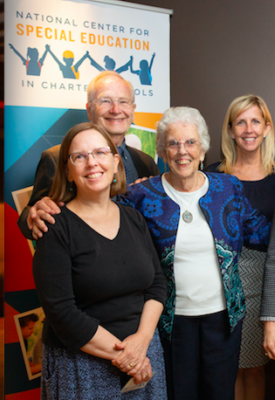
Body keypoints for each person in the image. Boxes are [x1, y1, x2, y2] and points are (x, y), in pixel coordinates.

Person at [122, 107, 271, 400]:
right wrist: (45, 210)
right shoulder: (142, 194)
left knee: (220, 393)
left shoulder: (227, 187)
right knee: (180, 394)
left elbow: (262, 233)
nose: (182, 151)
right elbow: (99, 217)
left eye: (190, 142)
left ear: (202, 148)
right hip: (171, 323)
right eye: (173, 143)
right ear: (162, 151)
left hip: (225, 319)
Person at [33, 122, 167, 400]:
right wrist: (128, 357)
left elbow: (156, 284)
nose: (91, 163)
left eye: (100, 153)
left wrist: (141, 343)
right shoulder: (54, 226)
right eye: (79, 157)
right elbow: (61, 311)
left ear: (116, 162)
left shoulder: (134, 218)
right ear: (68, 171)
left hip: (145, 358)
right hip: (82, 365)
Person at [18, 71, 159, 240]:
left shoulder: (145, 162)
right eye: (105, 101)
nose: (116, 110)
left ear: (133, 110)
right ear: (89, 110)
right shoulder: (56, 158)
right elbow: (29, 218)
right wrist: (34, 215)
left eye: (123, 102)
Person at [205, 95, 275, 400]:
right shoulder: (213, 175)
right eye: (240, 122)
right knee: (228, 365)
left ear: (267, 128)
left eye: (255, 121)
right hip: (219, 280)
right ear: (231, 130)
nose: (248, 129)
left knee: (256, 367)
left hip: (265, 280)